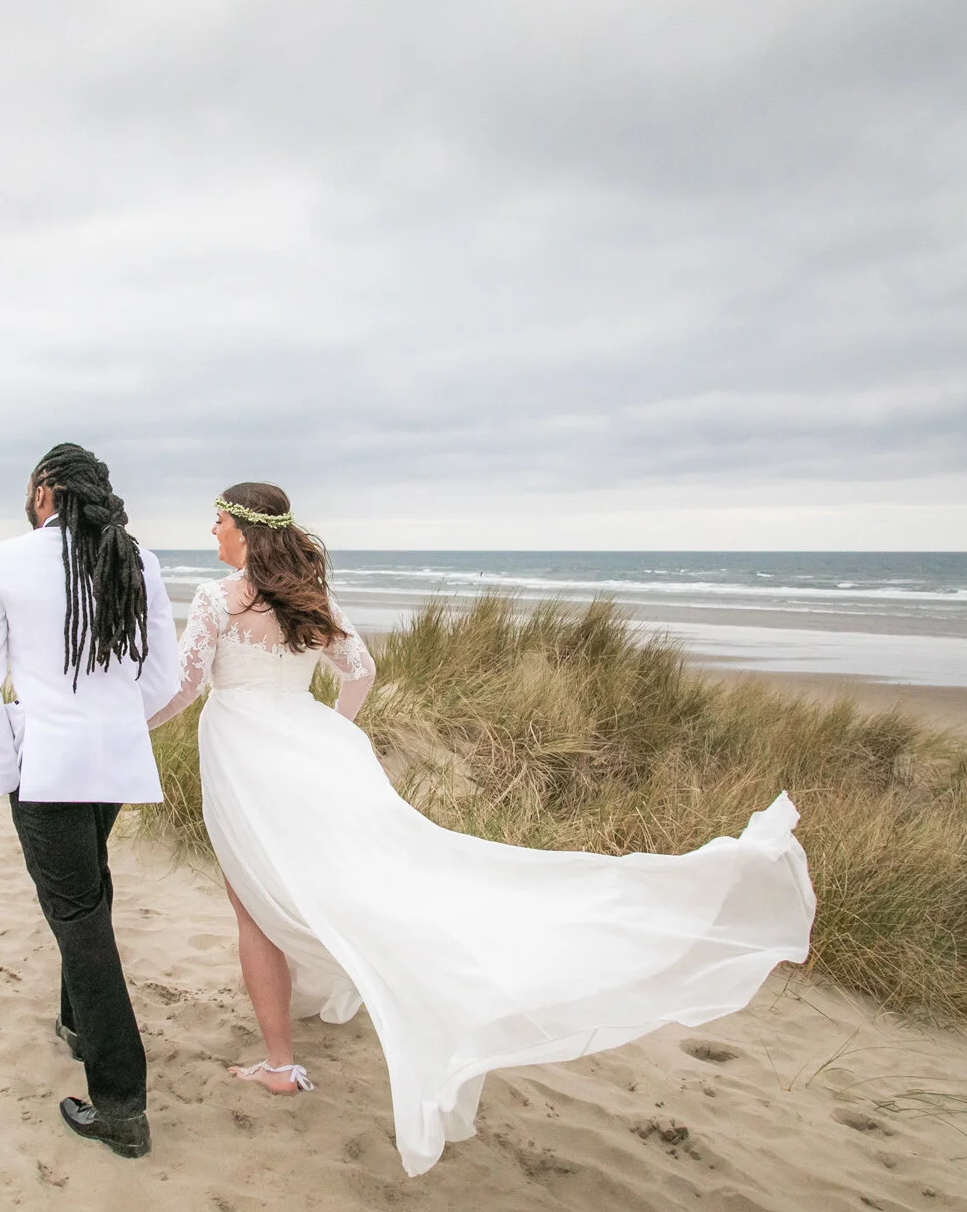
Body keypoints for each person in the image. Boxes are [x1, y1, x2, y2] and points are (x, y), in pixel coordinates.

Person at [148, 482, 815, 1176]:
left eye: (219, 521)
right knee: (346, 883)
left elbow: (185, 688)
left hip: (248, 761)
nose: (212, 532)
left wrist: (128, 729)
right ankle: (322, 1008)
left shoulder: (216, 599)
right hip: (309, 755)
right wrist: (328, 733)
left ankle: (281, 1063)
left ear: (247, 531)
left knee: (255, 905)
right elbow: (361, 670)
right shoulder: (309, 596)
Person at [0, 444, 179, 1159]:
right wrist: (111, 727)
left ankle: (120, 1104)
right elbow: (161, 680)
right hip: (111, 766)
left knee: (79, 917)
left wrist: (4, 765)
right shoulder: (137, 562)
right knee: (91, 887)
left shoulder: (6, 558)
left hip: (45, 768)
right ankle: (78, 1022)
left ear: (47, 492)